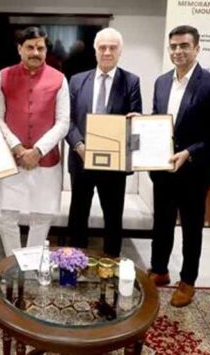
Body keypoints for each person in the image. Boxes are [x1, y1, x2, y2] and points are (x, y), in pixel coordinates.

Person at [148, 25, 210, 307]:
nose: (178, 51)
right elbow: (159, 120)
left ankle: (188, 281)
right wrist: (141, 123)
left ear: (197, 48)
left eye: (184, 45)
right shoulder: (161, 82)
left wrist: (189, 152)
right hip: (162, 168)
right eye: (173, 46)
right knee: (162, 222)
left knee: (191, 229)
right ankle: (159, 270)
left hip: (195, 171)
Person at [0, 26, 70, 256]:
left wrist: (37, 151)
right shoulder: (3, 76)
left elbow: (63, 122)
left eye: (40, 48)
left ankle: (31, 264)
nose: (36, 52)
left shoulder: (59, 79)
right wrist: (17, 147)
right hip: (10, 159)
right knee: (6, 216)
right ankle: (12, 264)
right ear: (20, 49)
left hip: (46, 161)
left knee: (42, 216)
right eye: (30, 47)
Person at [66, 28, 142, 257]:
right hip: (81, 160)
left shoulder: (131, 81)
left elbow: (135, 121)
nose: (107, 52)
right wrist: (79, 145)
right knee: (78, 215)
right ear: (95, 51)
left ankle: (111, 264)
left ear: (120, 51)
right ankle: (75, 263)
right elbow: (67, 120)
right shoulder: (77, 80)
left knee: (113, 218)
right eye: (102, 47)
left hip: (114, 166)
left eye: (112, 48)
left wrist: (136, 124)